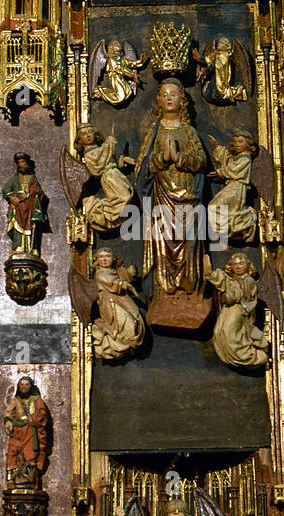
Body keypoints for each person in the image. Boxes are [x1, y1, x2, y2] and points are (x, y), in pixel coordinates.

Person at [135, 78, 209, 329]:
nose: (169, 98)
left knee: (190, 244)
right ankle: (166, 294)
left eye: (174, 95)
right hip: (162, 198)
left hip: (189, 198)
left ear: (182, 100)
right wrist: (160, 159)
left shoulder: (189, 132)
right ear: (158, 100)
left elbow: (201, 161)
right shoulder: (154, 131)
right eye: (164, 95)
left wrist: (179, 157)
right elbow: (142, 169)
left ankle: (189, 292)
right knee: (163, 245)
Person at [205, 252, 268, 369]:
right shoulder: (233, 279)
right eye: (235, 264)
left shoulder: (248, 280)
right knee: (219, 332)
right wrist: (210, 274)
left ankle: (252, 357)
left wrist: (226, 297)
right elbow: (223, 282)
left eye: (241, 263)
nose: (238, 267)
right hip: (228, 310)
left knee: (230, 334)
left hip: (240, 310)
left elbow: (239, 296)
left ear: (247, 265)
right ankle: (232, 356)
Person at [74, 124, 134, 231]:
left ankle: (106, 213)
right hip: (108, 177)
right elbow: (98, 166)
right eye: (83, 134)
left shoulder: (99, 149)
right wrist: (109, 143)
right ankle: (96, 210)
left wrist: (122, 159)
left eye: (90, 132)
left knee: (126, 197)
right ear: (79, 140)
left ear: (95, 134)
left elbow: (109, 158)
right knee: (124, 198)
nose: (88, 136)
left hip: (115, 174)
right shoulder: (89, 154)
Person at [90, 249, 145, 361]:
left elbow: (125, 277)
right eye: (101, 257)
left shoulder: (116, 271)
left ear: (113, 258)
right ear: (97, 260)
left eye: (108, 256)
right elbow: (111, 282)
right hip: (110, 304)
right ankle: (116, 344)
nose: (105, 259)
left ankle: (126, 345)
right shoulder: (99, 274)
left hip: (123, 301)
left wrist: (130, 273)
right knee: (128, 323)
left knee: (135, 321)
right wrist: (126, 285)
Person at [208, 132, 257, 244]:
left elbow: (234, 170)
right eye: (235, 142)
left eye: (240, 141)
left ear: (249, 144)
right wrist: (216, 147)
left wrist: (218, 172)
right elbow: (227, 160)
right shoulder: (238, 157)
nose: (237, 144)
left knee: (214, 206)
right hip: (232, 186)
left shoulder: (246, 159)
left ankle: (246, 220)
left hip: (237, 188)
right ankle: (230, 229)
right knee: (217, 208)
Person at [4, 376, 51, 490]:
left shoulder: (37, 401)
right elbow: (8, 413)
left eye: (26, 385)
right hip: (17, 432)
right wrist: (8, 421)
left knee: (29, 454)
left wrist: (34, 420)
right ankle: (13, 480)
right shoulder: (15, 401)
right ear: (18, 387)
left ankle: (31, 480)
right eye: (22, 385)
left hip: (30, 431)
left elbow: (42, 414)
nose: (24, 387)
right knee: (13, 453)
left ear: (31, 387)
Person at [3, 152, 48, 256]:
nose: (20, 165)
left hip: (31, 206)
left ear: (27, 164)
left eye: (22, 162)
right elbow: (5, 189)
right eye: (19, 163)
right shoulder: (15, 179)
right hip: (19, 206)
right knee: (17, 226)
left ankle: (33, 248)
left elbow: (38, 191)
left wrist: (37, 195)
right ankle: (18, 246)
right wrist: (11, 198)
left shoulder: (32, 179)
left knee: (33, 226)